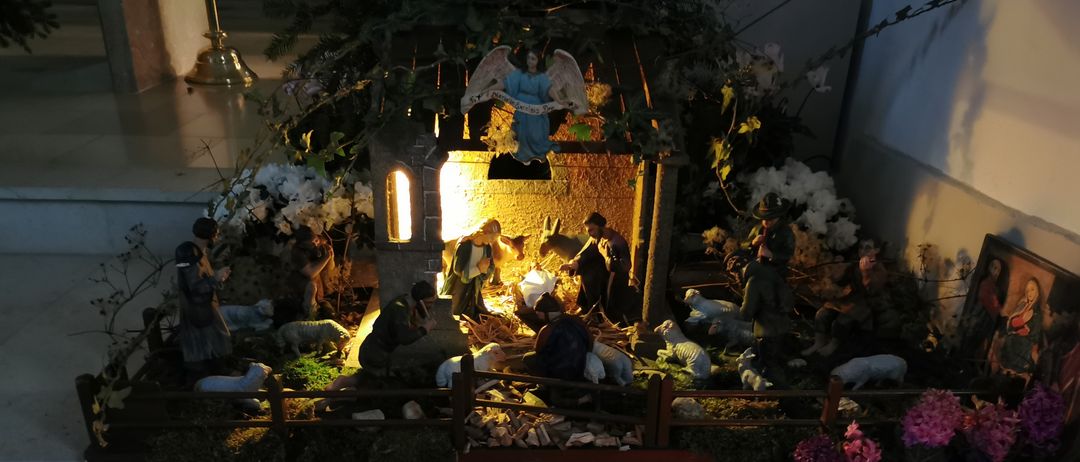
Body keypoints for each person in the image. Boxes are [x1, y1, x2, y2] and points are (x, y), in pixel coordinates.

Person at [325, 281, 438, 391]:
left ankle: (349, 385)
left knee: (376, 377)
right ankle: (345, 383)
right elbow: (405, 338)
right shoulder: (400, 310)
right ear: (420, 301)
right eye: (429, 303)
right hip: (374, 354)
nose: (431, 306)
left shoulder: (404, 302)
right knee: (384, 384)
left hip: (374, 349)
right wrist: (425, 329)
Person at [175, 217, 233, 386]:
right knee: (215, 339)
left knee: (216, 339)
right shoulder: (189, 253)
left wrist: (218, 277)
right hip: (198, 308)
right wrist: (216, 277)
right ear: (212, 235)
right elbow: (196, 286)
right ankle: (207, 379)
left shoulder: (201, 253)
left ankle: (216, 374)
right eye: (217, 234)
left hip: (205, 305)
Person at [801, 251, 889, 357]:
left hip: (865, 302)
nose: (864, 251)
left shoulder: (879, 270)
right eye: (862, 248)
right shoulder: (855, 263)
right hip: (849, 298)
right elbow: (843, 281)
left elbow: (871, 290)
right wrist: (838, 270)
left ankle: (834, 345)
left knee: (843, 320)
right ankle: (819, 342)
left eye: (868, 248)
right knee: (822, 314)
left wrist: (866, 273)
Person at [559, 212, 639, 324]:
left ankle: (597, 313)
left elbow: (625, 266)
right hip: (604, 272)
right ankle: (588, 307)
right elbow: (587, 252)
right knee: (586, 270)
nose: (590, 234)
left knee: (591, 276)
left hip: (615, 280)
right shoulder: (597, 237)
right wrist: (574, 263)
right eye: (588, 231)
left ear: (601, 226)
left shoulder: (617, 242)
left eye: (592, 230)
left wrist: (606, 257)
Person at [490, 48, 559, 164]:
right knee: (521, 134)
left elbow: (551, 90)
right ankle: (523, 154)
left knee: (536, 134)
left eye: (533, 58)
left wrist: (560, 100)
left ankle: (536, 152)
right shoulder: (519, 74)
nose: (530, 61)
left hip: (537, 111)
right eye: (528, 58)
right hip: (522, 110)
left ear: (538, 60)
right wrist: (489, 90)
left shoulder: (542, 76)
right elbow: (504, 83)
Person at [522, 293, 593, 382]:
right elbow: (590, 341)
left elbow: (538, 350)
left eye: (538, 313)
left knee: (528, 358)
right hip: (580, 365)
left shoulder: (547, 329)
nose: (538, 316)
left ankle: (545, 385)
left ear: (545, 313)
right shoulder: (577, 320)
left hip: (559, 371)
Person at [441, 219, 501, 318]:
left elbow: (491, 267)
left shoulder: (487, 248)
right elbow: (458, 270)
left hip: (476, 284)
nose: (493, 240)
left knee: (476, 305)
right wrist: (478, 269)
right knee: (457, 308)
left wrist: (484, 270)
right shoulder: (464, 246)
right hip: (460, 285)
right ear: (483, 233)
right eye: (492, 237)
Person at [957, 258, 1007, 367]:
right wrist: (999, 309)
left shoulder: (995, 287)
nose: (996, 271)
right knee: (969, 343)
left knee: (976, 345)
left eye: (998, 269)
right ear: (989, 268)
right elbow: (988, 299)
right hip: (978, 318)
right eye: (994, 267)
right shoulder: (986, 283)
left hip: (985, 321)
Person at [990, 277, 1043, 378]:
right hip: (1013, 338)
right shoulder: (1022, 305)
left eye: (1032, 289)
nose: (1029, 292)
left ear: (1038, 292)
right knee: (1005, 339)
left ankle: (1009, 373)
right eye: (1027, 290)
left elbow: (1034, 335)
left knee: (1011, 341)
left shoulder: (1037, 313)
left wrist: (1021, 330)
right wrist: (1020, 322)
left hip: (1024, 345)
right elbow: (1010, 325)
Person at [283, 226, 335, 320]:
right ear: (302, 245)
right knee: (310, 290)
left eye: (316, 240)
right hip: (302, 290)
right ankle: (307, 313)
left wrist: (331, 256)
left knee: (329, 314)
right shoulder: (297, 252)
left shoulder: (321, 245)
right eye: (310, 244)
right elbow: (310, 273)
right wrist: (326, 258)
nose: (315, 245)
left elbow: (330, 269)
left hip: (319, 293)